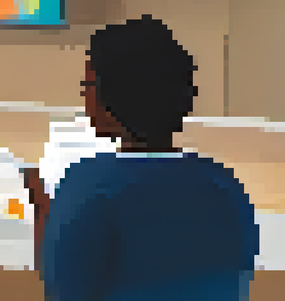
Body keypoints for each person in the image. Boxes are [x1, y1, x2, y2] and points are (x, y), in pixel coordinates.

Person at [23, 15, 258, 301]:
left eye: (88, 85)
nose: (84, 94)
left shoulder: (89, 185)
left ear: (110, 97)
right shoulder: (226, 184)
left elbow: (62, 288)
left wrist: (43, 211)